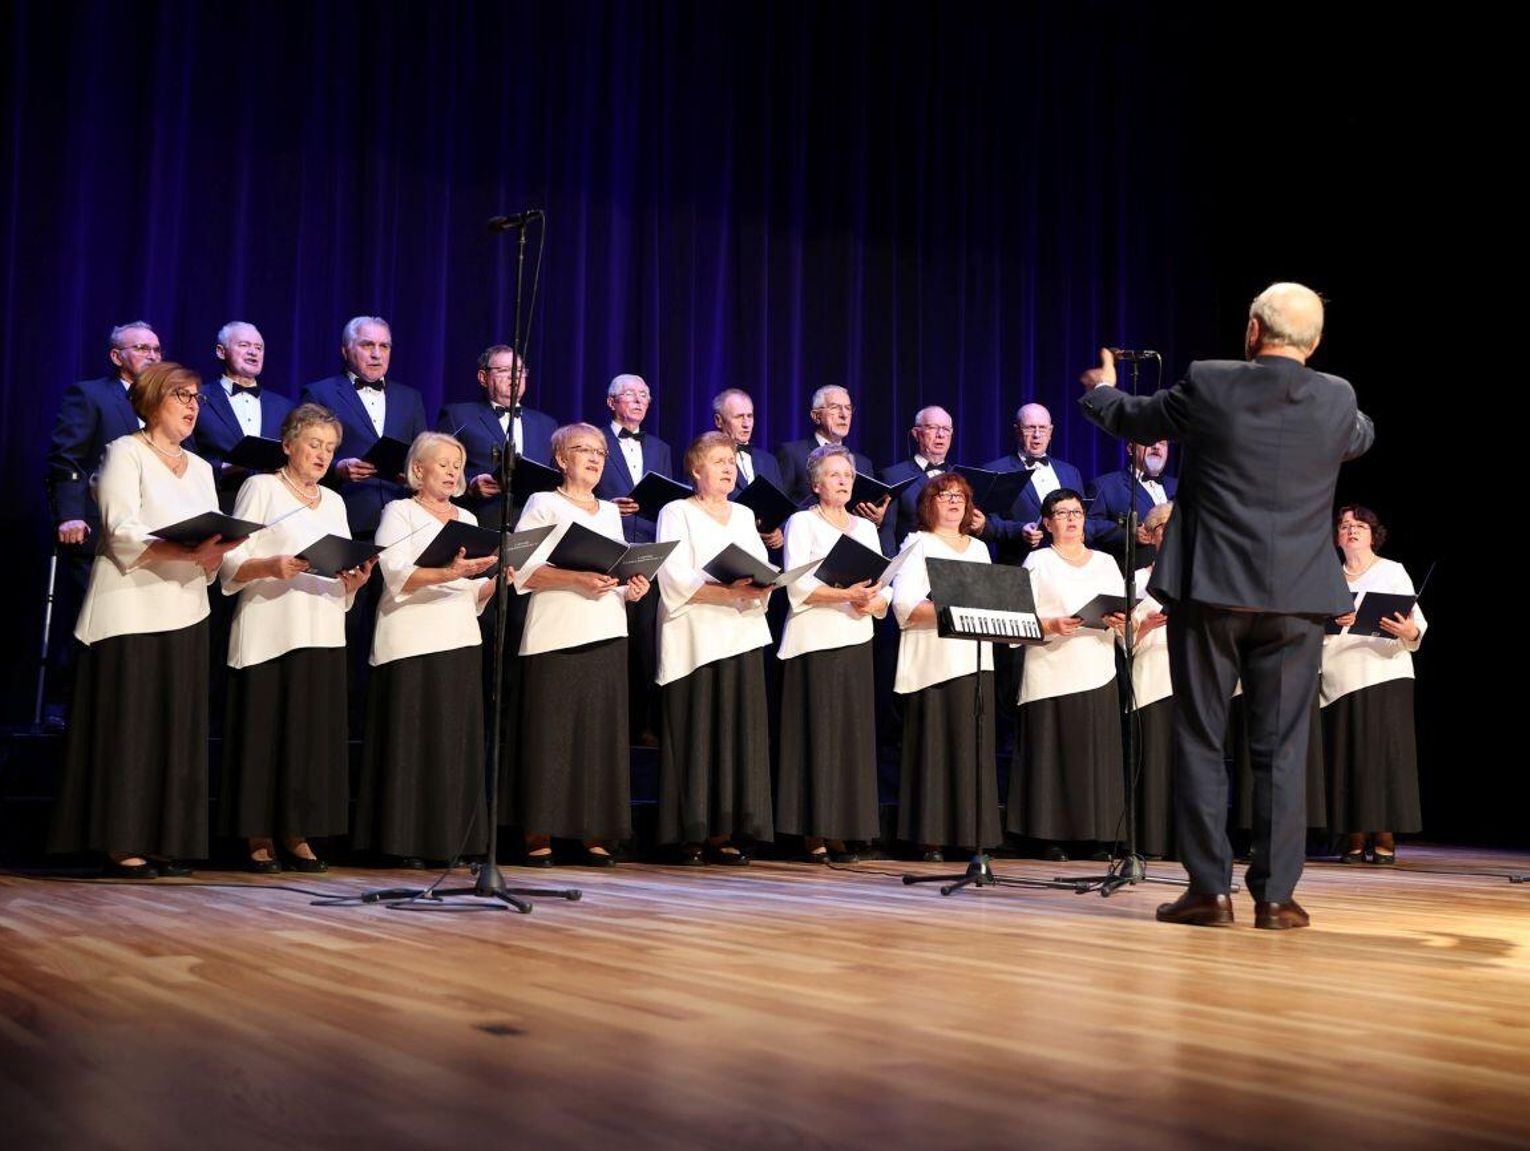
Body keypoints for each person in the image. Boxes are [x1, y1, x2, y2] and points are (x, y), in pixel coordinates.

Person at [1078, 281, 1374, 929]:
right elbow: (1359, 435)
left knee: (1203, 737)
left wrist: (1100, 388)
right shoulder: (1338, 397)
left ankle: (1209, 891)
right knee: (1283, 747)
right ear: (1316, 342)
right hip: (1297, 597)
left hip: (1211, 589)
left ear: (1251, 331)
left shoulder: (1210, 383)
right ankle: (1276, 896)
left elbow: (1135, 417)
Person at [50, 363, 241, 878]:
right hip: (131, 609)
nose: (192, 405)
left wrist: (215, 550)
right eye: (181, 395)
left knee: (175, 728)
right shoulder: (124, 452)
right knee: (131, 727)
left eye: (197, 397)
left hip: (184, 608)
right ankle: (120, 840)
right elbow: (120, 532)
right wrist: (187, 548)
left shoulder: (201, 469)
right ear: (153, 399)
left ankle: (165, 839)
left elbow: (209, 538)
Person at [219, 403, 374, 873]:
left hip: (321, 626)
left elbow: (339, 564)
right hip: (270, 625)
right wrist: (271, 565)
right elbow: (228, 560)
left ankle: (298, 832)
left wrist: (352, 583)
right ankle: (258, 835)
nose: (323, 455)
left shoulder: (335, 501)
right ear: (288, 445)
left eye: (330, 448)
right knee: (264, 734)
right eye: (314, 444)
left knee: (309, 738)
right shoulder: (260, 487)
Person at [506, 423, 653, 867]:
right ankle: (539, 831)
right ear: (560, 458)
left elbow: (610, 577)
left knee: (598, 737)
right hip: (555, 632)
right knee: (550, 735)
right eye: (582, 450)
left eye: (600, 452)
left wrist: (632, 589)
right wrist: (575, 578)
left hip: (606, 631)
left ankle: (594, 830)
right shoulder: (542, 503)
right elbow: (520, 567)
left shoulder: (610, 512)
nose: (593, 458)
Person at [354, 433, 500, 868]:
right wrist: (449, 571)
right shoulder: (398, 511)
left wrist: (497, 579)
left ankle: (450, 841)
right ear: (418, 470)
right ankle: (404, 841)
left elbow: (473, 593)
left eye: (458, 463)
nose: (454, 471)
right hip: (410, 638)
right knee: (411, 742)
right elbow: (396, 574)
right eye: (444, 463)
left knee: (452, 742)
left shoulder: (470, 519)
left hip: (458, 637)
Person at [655, 432, 776, 864]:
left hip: (739, 634)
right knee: (697, 731)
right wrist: (728, 592)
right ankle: (690, 831)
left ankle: (724, 829)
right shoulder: (676, 511)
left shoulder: (743, 514)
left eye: (733, 461)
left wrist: (760, 584)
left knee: (734, 733)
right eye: (719, 460)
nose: (728, 468)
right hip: (696, 636)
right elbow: (672, 576)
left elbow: (759, 570)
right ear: (695, 469)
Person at [43, 322, 162, 729]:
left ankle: (126, 708)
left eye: (156, 349)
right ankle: (65, 704)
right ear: (118, 357)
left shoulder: (168, 403)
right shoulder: (91, 395)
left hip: (152, 533)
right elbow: (67, 460)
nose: (152, 355)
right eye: (142, 348)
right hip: (97, 527)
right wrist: (70, 514)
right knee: (89, 617)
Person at [775, 445, 888, 862]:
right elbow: (798, 587)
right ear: (816, 483)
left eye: (848, 475)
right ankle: (814, 830)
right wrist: (847, 594)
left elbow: (880, 584)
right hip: (814, 641)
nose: (843, 481)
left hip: (855, 639)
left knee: (849, 739)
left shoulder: (865, 528)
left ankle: (844, 828)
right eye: (834, 474)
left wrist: (870, 600)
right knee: (817, 736)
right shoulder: (802, 522)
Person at [1007, 488, 1127, 861]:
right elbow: (1016, 619)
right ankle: (1050, 835)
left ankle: (1096, 834)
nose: (1072, 519)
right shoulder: (1038, 560)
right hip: (1050, 667)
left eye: (1077, 512)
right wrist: (1050, 624)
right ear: (1047, 522)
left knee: (1094, 754)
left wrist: (1121, 620)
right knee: (1052, 754)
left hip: (1096, 665)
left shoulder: (1106, 562)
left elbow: (1124, 612)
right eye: (1062, 513)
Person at [889, 472, 1001, 861]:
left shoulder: (980, 550)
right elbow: (904, 606)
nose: (953, 501)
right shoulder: (917, 544)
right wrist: (956, 611)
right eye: (944, 495)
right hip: (933, 662)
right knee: (935, 749)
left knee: (973, 750)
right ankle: (930, 836)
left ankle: (971, 836)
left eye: (959, 496)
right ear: (928, 504)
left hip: (975, 660)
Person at [1321, 505, 1426, 864]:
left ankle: (1384, 834)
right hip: (1338, 677)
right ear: (1336, 537)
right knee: (1346, 756)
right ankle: (1352, 835)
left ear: (1372, 534)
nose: (1351, 531)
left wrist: (1408, 631)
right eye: (1345, 526)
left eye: (1359, 525)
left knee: (1383, 756)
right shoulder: (1326, 576)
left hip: (1385, 671)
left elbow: (1415, 625)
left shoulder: (1392, 571)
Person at [594, 373, 674, 743]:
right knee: (610, 637)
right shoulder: (594, 441)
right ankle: (609, 720)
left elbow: (670, 500)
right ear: (612, 402)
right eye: (630, 395)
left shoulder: (659, 447)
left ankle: (643, 724)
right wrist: (607, 508)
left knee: (646, 641)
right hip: (607, 551)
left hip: (649, 553)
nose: (640, 401)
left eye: (645, 394)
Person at [299, 315, 429, 540]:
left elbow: (422, 454)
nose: (377, 354)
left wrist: (413, 475)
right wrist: (337, 469)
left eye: (384, 346)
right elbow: (301, 457)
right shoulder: (319, 393)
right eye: (367, 345)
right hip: (346, 516)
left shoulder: (410, 398)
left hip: (404, 521)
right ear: (345, 351)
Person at [439, 345, 557, 526]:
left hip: (534, 528)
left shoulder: (546, 424)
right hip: (480, 524)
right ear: (483, 377)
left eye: (520, 371)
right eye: (503, 370)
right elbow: (436, 468)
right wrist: (469, 487)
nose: (514, 377)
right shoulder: (457, 415)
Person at [191, 322, 295, 513]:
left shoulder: (284, 406)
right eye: (244, 345)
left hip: (273, 507)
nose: (253, 352)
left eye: (258, 348)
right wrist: (223, 468)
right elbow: (183, 453)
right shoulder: (197, 398)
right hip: (218, 503)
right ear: (221, 352)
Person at [1125, 502, 1176, 859]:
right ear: (1152, 536)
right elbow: (1119, 636)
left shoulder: (1200, 577)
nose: (1170, 535)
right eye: (1163, 529)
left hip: (1188, 679)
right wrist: (1144, 626)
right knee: (1154, 758)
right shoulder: (1137, 580)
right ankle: (1152, 840)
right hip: (1149, 675)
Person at [978, 402, 1085, 565]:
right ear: (1017, 431)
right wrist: (1019, 531)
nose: (1037, 434)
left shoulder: (1070, 472)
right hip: (1019, 567)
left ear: (1050, 432)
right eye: (1030, 428)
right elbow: (987, 524)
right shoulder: (996, 470)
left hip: (1068, 565)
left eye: (1042, 428)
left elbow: (1084, 516)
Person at [878, 406, 982, 554]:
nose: (940, 434)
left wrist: (980, 525)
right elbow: (886, 532)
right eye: (932, 427)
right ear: (916, 433)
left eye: (946, 429)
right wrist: (891, 572)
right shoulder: (893, 476)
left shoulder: (962, 478)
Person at [775, 385, 884, 526]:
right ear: (816, 416)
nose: (844, 415)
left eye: (848, 408)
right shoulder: (792, 453)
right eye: (835, 407)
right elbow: (778, 510)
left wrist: (877, 518)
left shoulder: (863, 464)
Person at [1084, 439, 1177, 569]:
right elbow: (1089, 526)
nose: (1156, 446)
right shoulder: (1105, 486)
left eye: (1162, 443)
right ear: (1130, 449)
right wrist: (1126, 534)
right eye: (1148, 440)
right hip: (1133, 577)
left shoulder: (1179, 486)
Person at [713, 387, 786, 551]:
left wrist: (780, 532)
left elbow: (781, 507)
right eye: (739, 417)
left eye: (750, 416)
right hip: (726, 549)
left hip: (766, 554)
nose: (746, 424)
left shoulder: (769, 461)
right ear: (719, 421)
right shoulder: (707, 459)